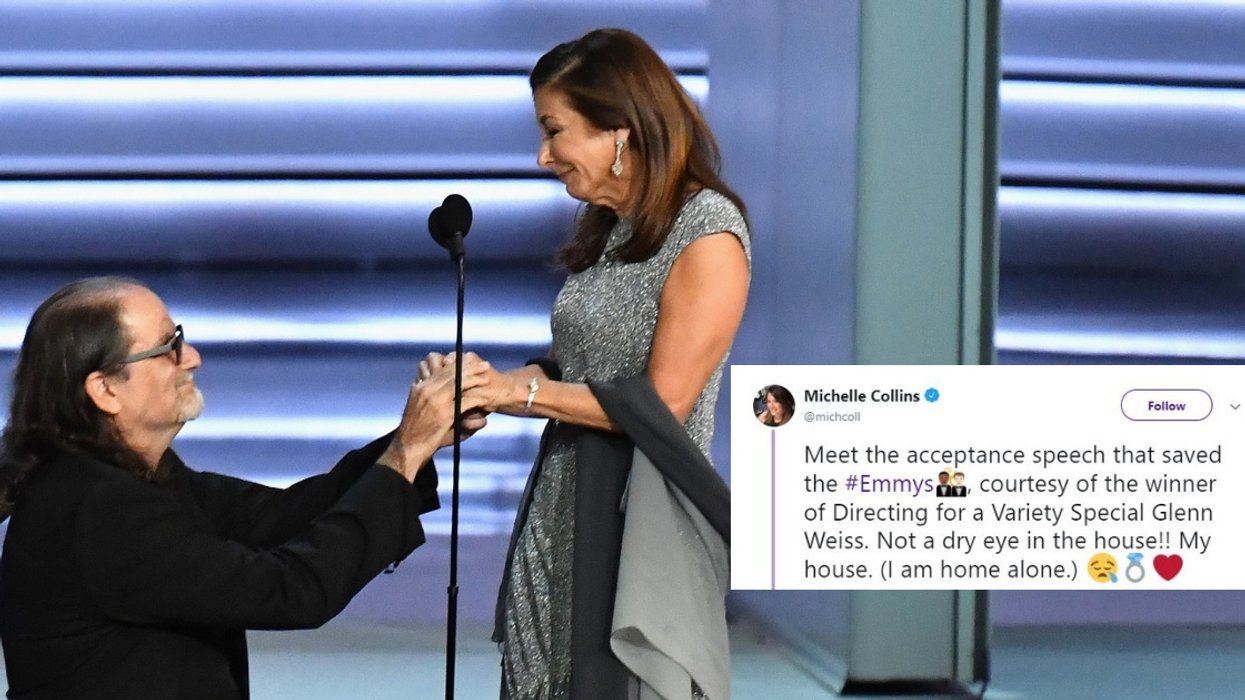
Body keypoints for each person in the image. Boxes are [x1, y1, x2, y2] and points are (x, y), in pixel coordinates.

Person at [423, 27, 748, 700]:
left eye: (554, 131)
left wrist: (526, 396)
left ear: (620, 132)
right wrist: (493, 384)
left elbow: (662, 407)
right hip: (561, 506)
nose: (542, 156)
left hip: (639, 525)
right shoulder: (613, 229)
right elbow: (578, 368)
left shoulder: (707, 232)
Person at [0, 277, 488, 699]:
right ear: (105, 390)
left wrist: (417, 440)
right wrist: (405, 452)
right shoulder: (98, 509)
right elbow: (290, 590)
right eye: (167, 348)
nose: (191, 357)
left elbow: (281, 517)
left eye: (181, 338)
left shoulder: (135, 478)